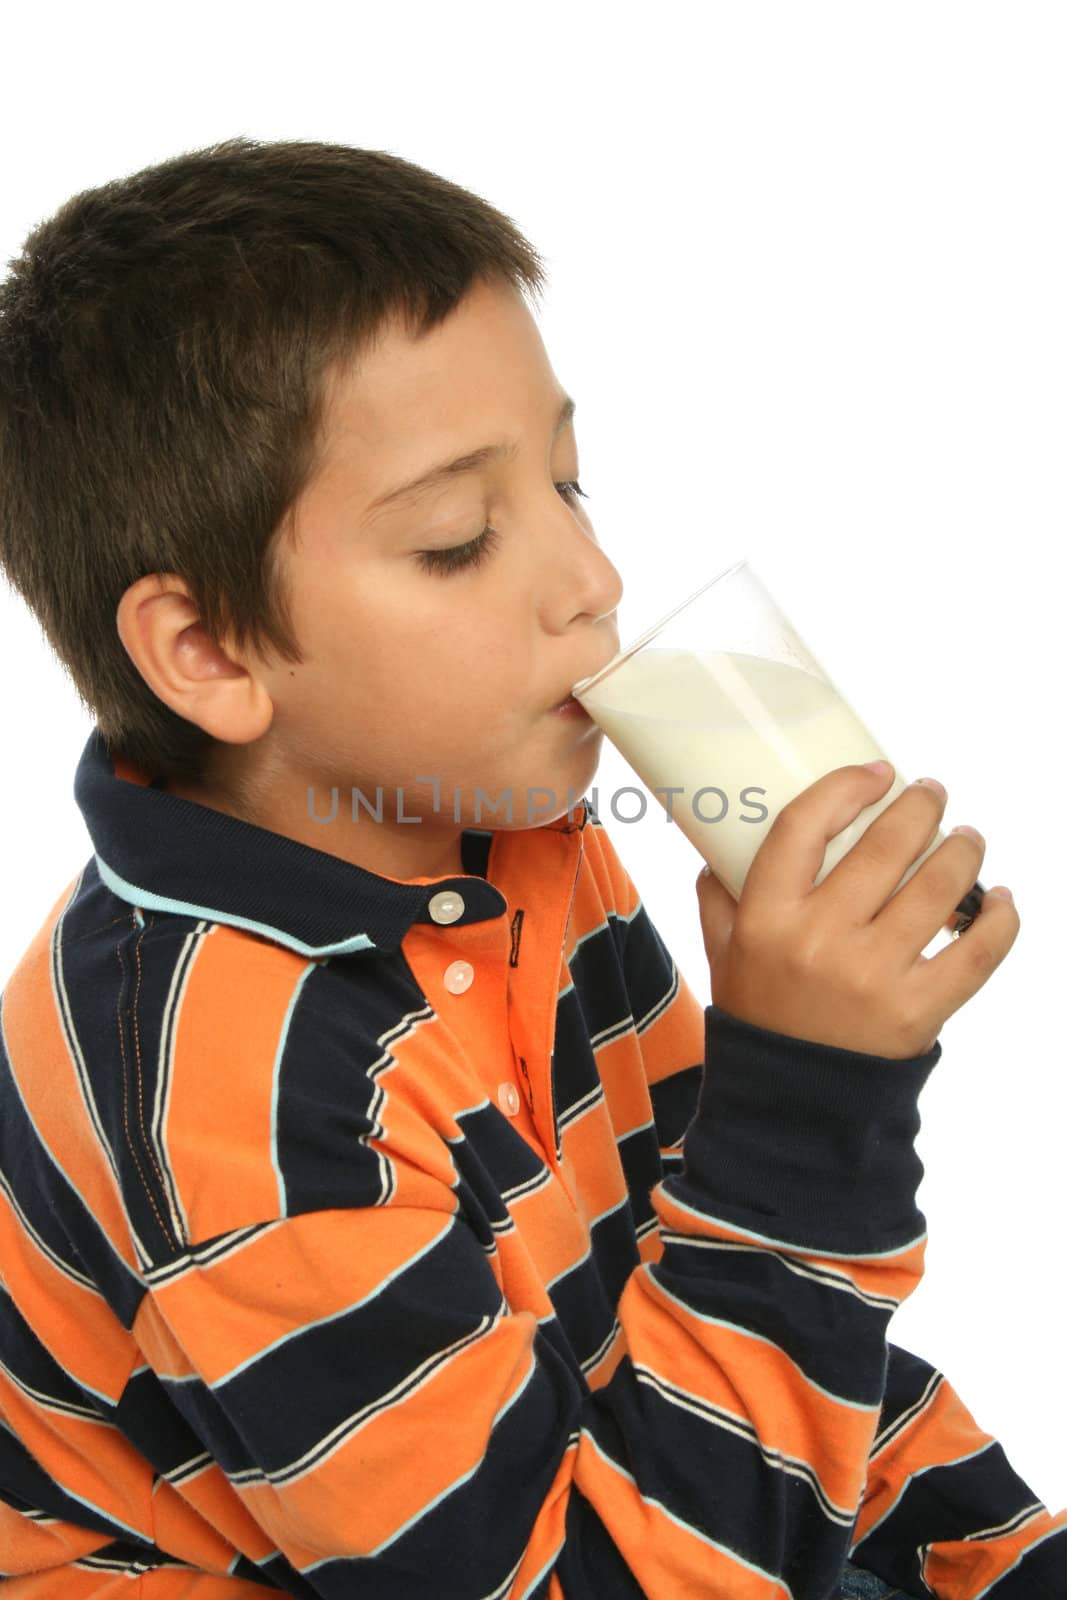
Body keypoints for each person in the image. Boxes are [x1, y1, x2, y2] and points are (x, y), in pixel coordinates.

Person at [0, 137, 1062, 1600]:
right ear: (208, 652)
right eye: (457, 540)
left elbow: (702, 1311)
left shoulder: (521, 849)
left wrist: (998, 1552)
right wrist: (808, 1108)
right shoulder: (227, 1102)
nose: (592, 582)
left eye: (572, 483)